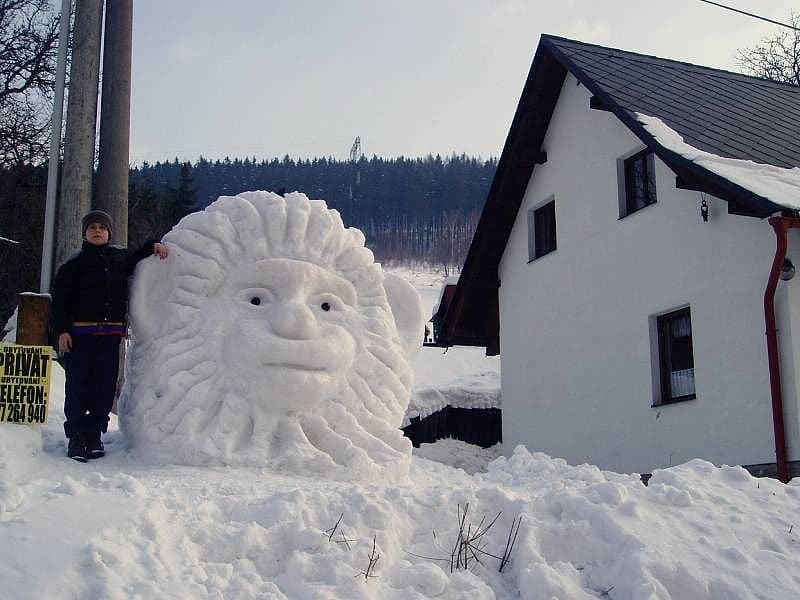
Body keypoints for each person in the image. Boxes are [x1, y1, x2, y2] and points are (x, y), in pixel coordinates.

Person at [52, 210, 169, 462]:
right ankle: (76, 438)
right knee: (77, 386)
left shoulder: (120, 258)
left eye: (102, 228)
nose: (97, 231)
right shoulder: (73, 264)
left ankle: (94, 435)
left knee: (104, 386)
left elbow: (140, 254)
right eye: (92, 227)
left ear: (109, 233)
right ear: (84, 233)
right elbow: (60, 301)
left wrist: (154, 246)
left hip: (111, 335)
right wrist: (62, 330)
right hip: (80, 334)